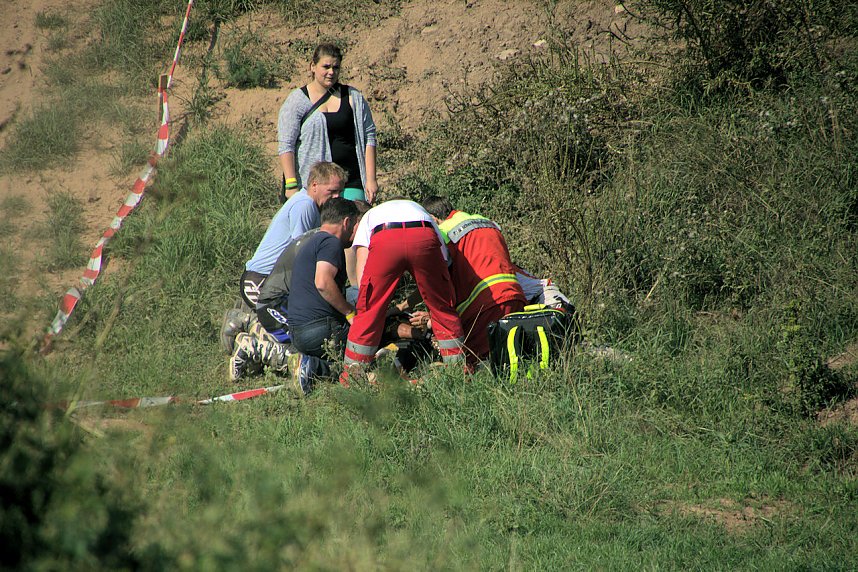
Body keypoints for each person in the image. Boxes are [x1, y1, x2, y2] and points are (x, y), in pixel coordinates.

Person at [230, 198, 361, 390]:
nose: (356, 233)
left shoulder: (308, 242)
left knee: (326, 356)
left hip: (297, 330)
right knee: (359, 359)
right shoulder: (331, 242)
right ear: (347, 222)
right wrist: (349, 312)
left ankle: (307, 364)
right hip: (318, 327)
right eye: (356, 225)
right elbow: (323, 282)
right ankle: (311, 367)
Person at [342, 198, 466, 383]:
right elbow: (443, 268)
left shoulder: (367, 218)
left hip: (385, 236)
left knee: (368, 309)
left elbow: (363, 281)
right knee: (442, 306)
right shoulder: (421, 211)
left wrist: (375, 305)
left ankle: (352, 376)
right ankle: (457, 371)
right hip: (424, 232)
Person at [418, 196, 526, 367]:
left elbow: (439, 282)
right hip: (515, 296)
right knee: (510, 359)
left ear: (432, 218)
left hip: (483, 305)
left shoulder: (442, 232)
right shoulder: (485, 221)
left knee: (477, 367)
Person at [277, 43, 378, 204]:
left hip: (352, 180)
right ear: (313, 66)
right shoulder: (297, 100)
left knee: (353, 218)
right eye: (326, 66)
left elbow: (369, 138)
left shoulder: (353, 97)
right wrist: (291, 184)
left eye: (336, 67)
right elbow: (286, 145)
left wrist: (371, 179)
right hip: (316, 186)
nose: (331, 72)